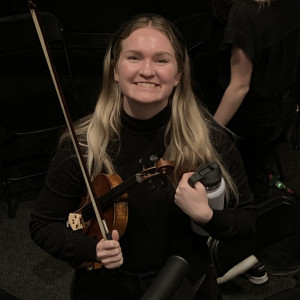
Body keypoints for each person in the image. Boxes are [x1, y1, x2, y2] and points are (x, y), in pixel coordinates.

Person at [29, 14, 256, 300]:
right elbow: (43, 224)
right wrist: (91, 250)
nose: (146, 71)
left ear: (178, 74)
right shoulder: (84, 144)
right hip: (107, 286)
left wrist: (208, 216)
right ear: (114, 70)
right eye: (134, 57)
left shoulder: (210, 141)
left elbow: (247, 222)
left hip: (184, 283)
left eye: (161, 60)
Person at [209, 0, 300, 202]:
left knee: (246, 182)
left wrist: (210, 133)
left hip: (251, 120)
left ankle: (252, 222)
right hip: (280, 110)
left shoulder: (245, 13)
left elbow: (239, 87)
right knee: (257, 170)